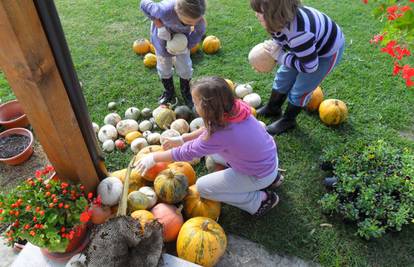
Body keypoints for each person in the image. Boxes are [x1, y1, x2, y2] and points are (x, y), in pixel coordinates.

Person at [135, 76, 282, 217]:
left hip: (258, 174)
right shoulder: (234, 109)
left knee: (203, 187)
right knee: (214, 154)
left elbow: (187, 152)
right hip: (268, 160)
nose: (194, 105)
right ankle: (272, 178)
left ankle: (260, 200)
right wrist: (183, 138)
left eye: (195, 102)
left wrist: (154, 158)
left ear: (207, 108)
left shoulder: (221, 134)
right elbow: (206, 130)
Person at [251, 0, 345, 135]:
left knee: (302, 87)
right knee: (283, 76)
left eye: (261, 13)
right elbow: (281, 38)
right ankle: (273, 107)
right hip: (306, 48)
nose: (256, 15)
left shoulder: (300, 35)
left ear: (276, 16)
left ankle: (288, 120)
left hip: (325, 53)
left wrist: (281, 56)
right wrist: (268, 57)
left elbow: (309, 67)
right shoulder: (280, 21)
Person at [140, 0, 206, 108]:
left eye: (196, 21)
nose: (193, 24)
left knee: (185, 68)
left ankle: (186, 92)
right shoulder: (164, 9)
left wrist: (186, 46)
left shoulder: (198, 17)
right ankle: (169, 91)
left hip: (181, 42)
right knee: (164, 67)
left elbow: (198, 32)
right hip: (162, 39)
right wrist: (159, 25)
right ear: (178, 12)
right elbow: (144, 4)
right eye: (189, 22)